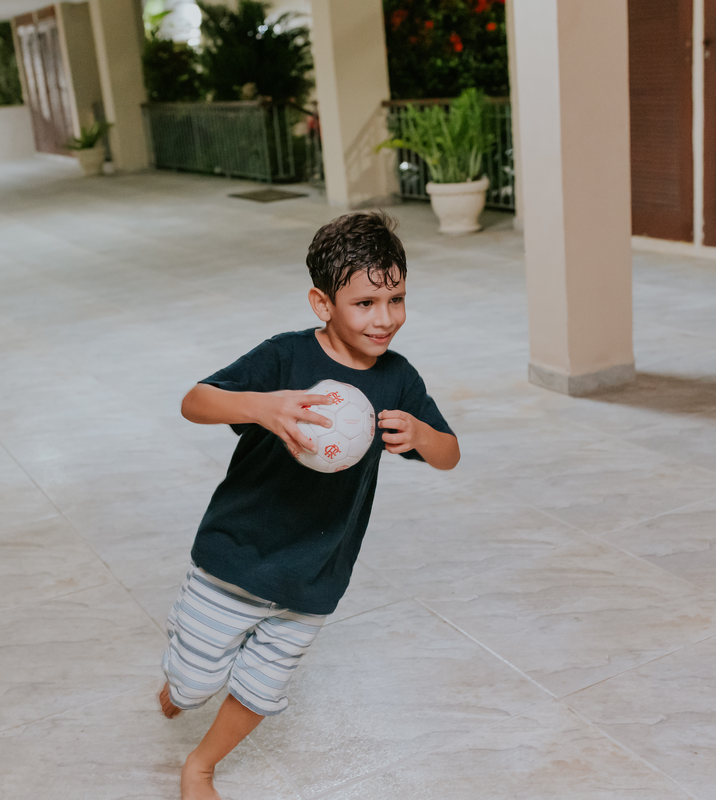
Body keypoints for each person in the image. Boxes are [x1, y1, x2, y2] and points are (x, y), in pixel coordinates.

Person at [161, 211, 460, 800]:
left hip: (315, 572)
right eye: (365, 303)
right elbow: (195, 402)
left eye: (396, 299)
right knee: (192, 684)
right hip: (235, 555)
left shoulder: (398, 379)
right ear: (323, 303)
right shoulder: (285, 357)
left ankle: (201, 766)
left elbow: (449, 454)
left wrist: (422, 436)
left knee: (262, 688)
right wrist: (262, 406)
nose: (385, 318)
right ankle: (178, 685)